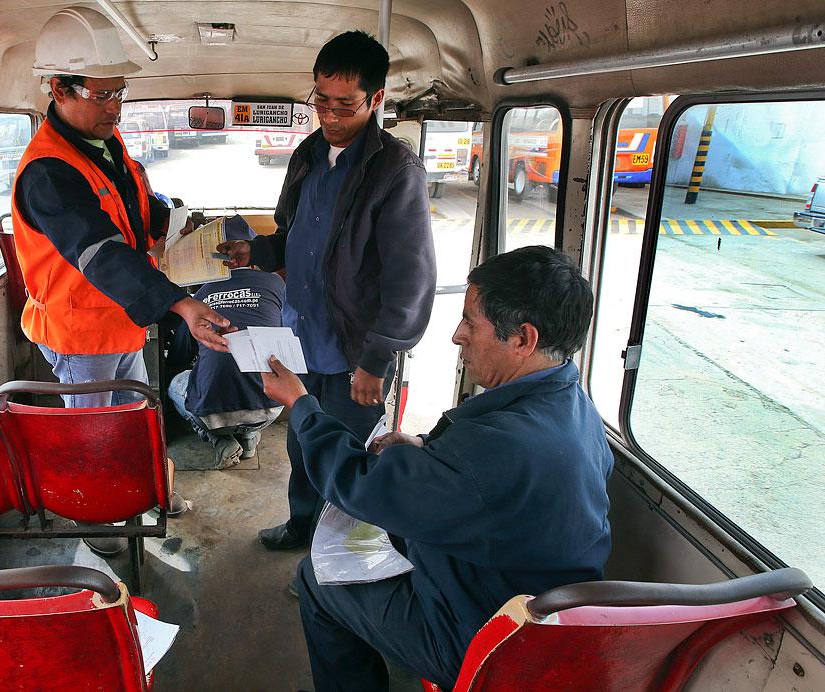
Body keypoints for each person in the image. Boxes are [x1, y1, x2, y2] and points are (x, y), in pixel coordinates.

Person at [259, 246, 613, 689]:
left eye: (471, 321)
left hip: (486, 639)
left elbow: (360, 486)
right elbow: (488, 478)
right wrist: (426, 445)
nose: (457, 335)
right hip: (542, 614)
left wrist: (301, 405)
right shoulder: (573, 405)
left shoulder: (495, 449)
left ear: (523, 339)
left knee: (317, 580)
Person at [13, 7, 225, 549]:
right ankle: (99, 526)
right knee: (93, 439)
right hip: (82, 333)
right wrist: (178, 303)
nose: (117, 109)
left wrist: (167, 218)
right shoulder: (48, 172)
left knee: (131, 420)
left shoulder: (103, 145)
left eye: (120, 93)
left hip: (120, 321)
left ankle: (144, 493)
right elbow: (100, 252)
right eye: (103, 96)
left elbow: (129, 208)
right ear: (60, 89)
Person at [217, 30, 437, 551]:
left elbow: (411, 279)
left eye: (345, 105)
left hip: (356, 348)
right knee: (303, 443)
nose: (331, 117)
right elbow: (295, 233)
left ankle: (334, 560)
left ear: (376, 99)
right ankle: (300, 529)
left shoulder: (394, 170)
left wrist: (376, 359)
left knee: (347, 459)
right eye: (322, 101)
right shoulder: (309, 155)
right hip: (302, 337)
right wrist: (262, 254)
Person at [166, 217, 286, 469]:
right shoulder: (277, 283)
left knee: (175, 384)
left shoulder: (200, 296)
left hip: (212, 415)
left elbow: (178, 355)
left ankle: (220, 441)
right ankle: (250, 436)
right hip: (273, 405)